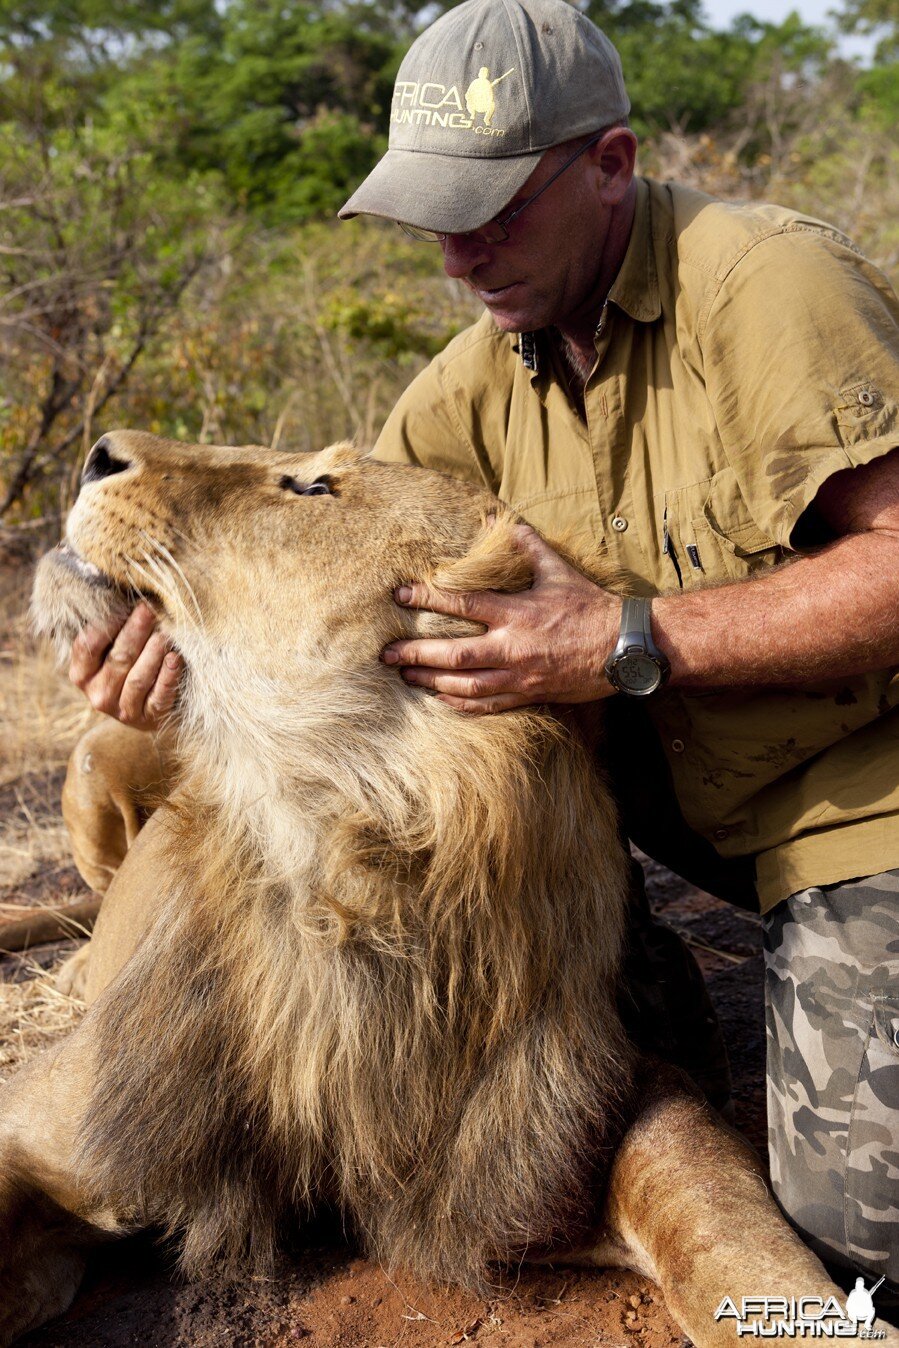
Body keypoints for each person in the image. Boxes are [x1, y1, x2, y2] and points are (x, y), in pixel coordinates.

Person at [66, 0, 898, 1291]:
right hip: (669, 794)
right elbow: (342, 567)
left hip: (857, 788)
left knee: (863, 1241)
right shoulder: (466, 384)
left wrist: (625, 638)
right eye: (435, 212)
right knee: (131, 746)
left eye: (497, 207)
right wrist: (169, 644)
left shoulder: (764, 286)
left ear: (612, 163)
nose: (459, 253)